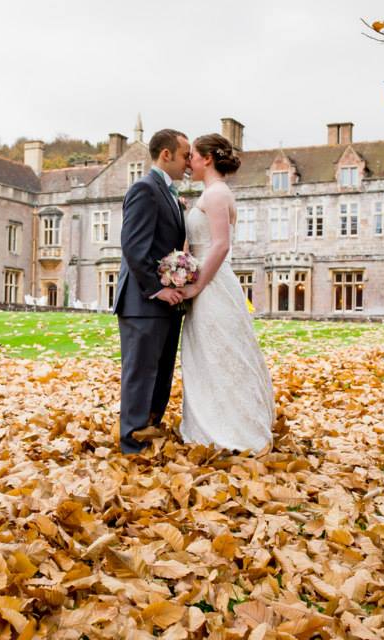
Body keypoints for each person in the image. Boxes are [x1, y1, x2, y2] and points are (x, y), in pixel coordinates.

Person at [178, 133, 275, 453]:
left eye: (191, 155)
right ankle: (208, 423)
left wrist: (197, 284)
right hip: (209, 280)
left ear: (207, 159)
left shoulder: (217, 194)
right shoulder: (211, 194)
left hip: (213, 284)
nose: (188, 162)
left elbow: (220, 245)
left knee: (220, 353)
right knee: (207, 354)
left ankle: (232, 430)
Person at [113, 129, 191, 454]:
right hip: (142, 302)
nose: (190, 162)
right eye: (186, 155)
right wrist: (157, 290)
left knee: (160, 375)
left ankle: (150, 432)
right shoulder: (144, 189)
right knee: (140, 375)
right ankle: (132, 445)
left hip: (165, 303)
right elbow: (133, 247)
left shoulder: (170, 194)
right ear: (166, 155)